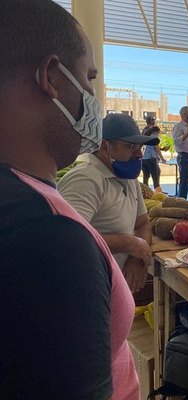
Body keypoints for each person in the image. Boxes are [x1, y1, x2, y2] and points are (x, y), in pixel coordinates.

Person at [0, 0, 138, 398]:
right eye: (89, 78)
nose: (93, 99)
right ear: (52, 77)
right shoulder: (49, 238)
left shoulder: (24, 198)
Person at [58, 112, 156, 293]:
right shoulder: (86, 180)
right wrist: (127, 243)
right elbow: (69, 241)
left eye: (140, 147)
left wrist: (136, 258)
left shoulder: (129, 179)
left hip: (115, 289)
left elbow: (142, 223)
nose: (139, 154)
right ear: (105, 146)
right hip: (85, 289)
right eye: (131, 146)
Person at [173, 106, 188, 199]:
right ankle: (181, 201)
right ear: (183, 114)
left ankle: (183, 199)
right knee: (184, 181)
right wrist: (187, 133)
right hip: (184, 156)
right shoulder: (179, 126)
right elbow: (176, 141)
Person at [141, 116, 166, 189]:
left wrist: (161, 149)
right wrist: (162, 158)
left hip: (144, 157)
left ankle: (145, 193)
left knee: (146, 176)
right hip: (151, 157)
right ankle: (157, 192)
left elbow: (148, 145)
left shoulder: (144, 131)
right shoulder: (153, 132)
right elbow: (155, 146)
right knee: (156, 175)